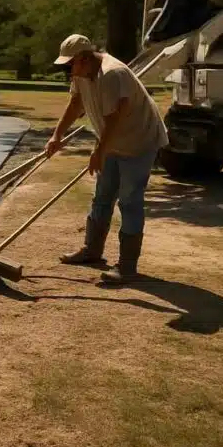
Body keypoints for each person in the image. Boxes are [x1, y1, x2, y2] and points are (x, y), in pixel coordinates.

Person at [45, 34, 169, 284]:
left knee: (129, 201)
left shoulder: (112, 74)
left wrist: (99, 152)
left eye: (70, 65)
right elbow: (76, 103)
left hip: (138, 141)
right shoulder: (81, 75)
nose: (69, 71)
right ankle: (92, 250)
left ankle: (127, 267)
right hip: (112, 140)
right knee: (102, 195)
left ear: (84, 58)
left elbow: (115, 119)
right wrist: (57, 135)